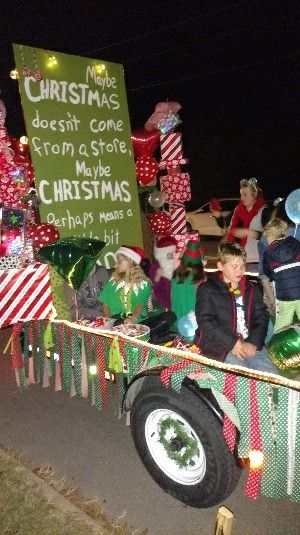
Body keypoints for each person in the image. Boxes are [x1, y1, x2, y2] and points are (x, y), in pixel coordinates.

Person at [194, 242, 279, 374]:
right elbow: (205, 321)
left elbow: (261, 317)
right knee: (241, 378)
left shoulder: (252, 288)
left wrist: (253, 342)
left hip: (249, 343)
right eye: (234, 266)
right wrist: (232, 342)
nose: (240, 271)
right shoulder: (207, 289)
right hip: (220, 346)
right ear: (220, 266)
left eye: (242, 266)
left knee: (270, 376)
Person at [263, 218, 300, 332]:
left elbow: (268, 272)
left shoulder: (268, 253)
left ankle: (278, 345)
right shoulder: (296, 244)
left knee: (282, 325)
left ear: (270, 236)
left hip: (285, 294)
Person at [98, 245, 152, 324]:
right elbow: (105, 304)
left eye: (119, 261)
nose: (116, 264)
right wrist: (109, 321)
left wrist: (133, 318)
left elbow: (140, 305)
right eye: (116, 261)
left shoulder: (144, 284)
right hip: (115, 322)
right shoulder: (112, 282)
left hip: (137, 322)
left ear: (131, 262)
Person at [224, 178, 269, 266]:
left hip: (258, 260)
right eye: (241, 195)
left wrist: (249, 232)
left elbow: (269, 237)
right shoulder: (238, 210)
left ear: (254, 194)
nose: (242, 198)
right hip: (239, 259)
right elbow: (229, 228)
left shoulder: (263, 211)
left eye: (245, 194)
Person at [171, 239, 206, 329]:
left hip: (176, 320)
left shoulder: (176, 275)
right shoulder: (200, 279)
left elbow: (171, 296)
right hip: (193, 322)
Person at [149, 235, 179, 311]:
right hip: (163, 303)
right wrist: (157, 277)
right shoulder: (156, 265)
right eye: (170, 253)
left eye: (173, 252)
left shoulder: (177, 264)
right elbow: (153, 287)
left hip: (178, 300)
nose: (173, 256)